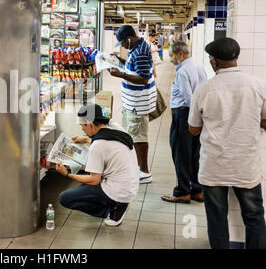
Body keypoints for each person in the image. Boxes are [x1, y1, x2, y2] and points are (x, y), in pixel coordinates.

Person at [188, 37, 266, 249]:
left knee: (216, 218)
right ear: (236, 58)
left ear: (214, 61)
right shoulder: (259, 85)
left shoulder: (204, 89)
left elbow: (193, 129)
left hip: (214, 164)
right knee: (255, 216)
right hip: (246, 164)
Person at [55, 104, 139, 226]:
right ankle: (118, 203)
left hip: (118, 190)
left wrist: (67, 174)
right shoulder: (115, 127)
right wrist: (86, 139)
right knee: (81, 188)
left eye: (82, 126)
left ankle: (113, 210)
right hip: (130, 185)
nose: (82, 130)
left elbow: (94, 180)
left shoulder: (98, 145)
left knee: (65, 198)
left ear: (89, 124)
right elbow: (108, 140)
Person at [109, 25, 156, 184]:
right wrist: (119, 60)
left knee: (139, 138)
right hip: (133, 102)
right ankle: (139, 168)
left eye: (122, 42)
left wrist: (120, 74)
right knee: (135, 136)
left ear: (129, 38)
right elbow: (134, 66)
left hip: (138, 104)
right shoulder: (137, 47)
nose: (122, 45)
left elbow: (143, 78)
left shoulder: (141, 51)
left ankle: (144, 171)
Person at [161, 41, 207, 204]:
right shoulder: (199, 68)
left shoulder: (183, 72)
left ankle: (182, 191)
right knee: (195, 153)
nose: (171, 59)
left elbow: (189, 98)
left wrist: (192, 115)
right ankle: (197, 189)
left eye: (172, 55)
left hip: (183, 115)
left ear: (180, 54)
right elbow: (201, 94)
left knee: (181, 153)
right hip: (197, 115)